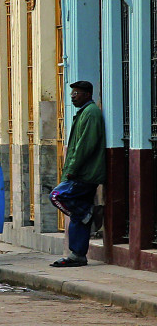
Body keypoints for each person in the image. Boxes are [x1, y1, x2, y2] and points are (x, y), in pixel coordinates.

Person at [49, 80, 106, 268]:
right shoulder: (83, 113)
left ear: (87, 95)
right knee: (77, 214)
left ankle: (86, 214)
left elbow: (84, 146)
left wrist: (72, 169)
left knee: (57, 196)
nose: (72, 96)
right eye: (72, 93)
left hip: (84, 174)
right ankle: (77, 254)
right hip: (80, 173)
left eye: (76, 93)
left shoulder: (91, 114)